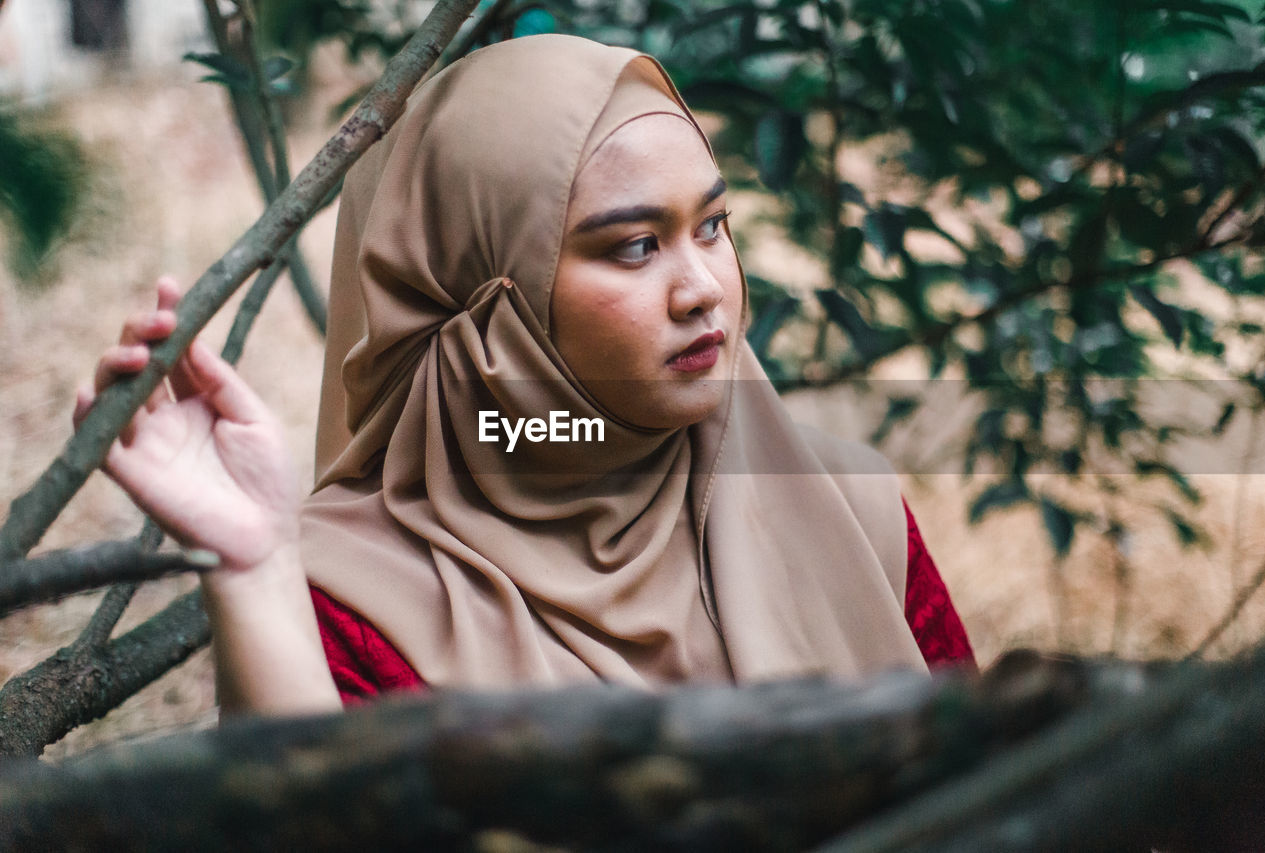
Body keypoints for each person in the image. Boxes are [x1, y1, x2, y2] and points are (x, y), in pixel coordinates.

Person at [76, 34, 973, 716]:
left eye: (712, 225)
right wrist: (253, 572)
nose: (705, 288)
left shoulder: (849, 509)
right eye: (634, 246)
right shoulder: (357, 603)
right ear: (480, 297)